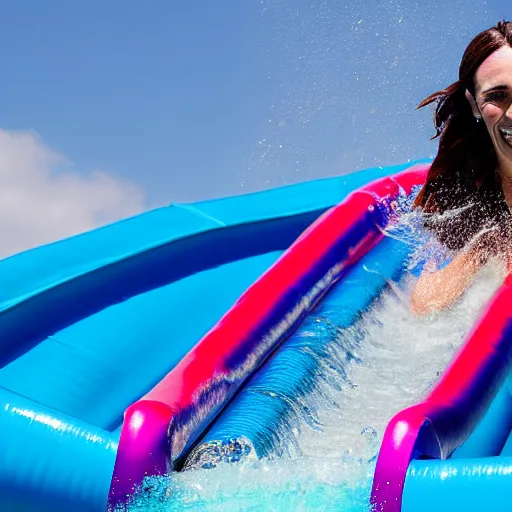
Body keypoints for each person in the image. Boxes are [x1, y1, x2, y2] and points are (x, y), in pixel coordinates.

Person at [410, 20, 512, 315]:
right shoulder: (471, 202)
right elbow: (423, 307)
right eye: (497, 96)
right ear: (474, 104)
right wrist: (481, 252)